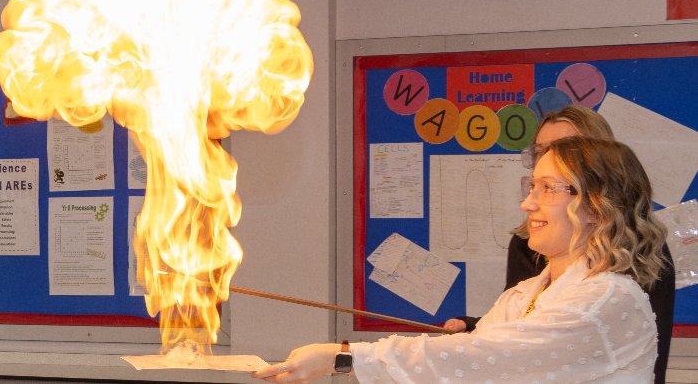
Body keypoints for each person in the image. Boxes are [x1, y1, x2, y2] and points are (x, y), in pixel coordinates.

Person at [255, 137, 667, 383]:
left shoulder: (605, 302)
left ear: (597, 206)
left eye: (547, 188)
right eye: (531, 186)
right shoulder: (524, 294)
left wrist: (342, 356)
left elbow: (476, 362)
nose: (528, 202)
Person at [442, 105, 675, 382]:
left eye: (565, 147)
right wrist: (476, 331)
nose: (548, 157)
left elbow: (551, 342)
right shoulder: (528, 244)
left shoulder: (628, 270)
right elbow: (523, 322)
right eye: (540, 150)